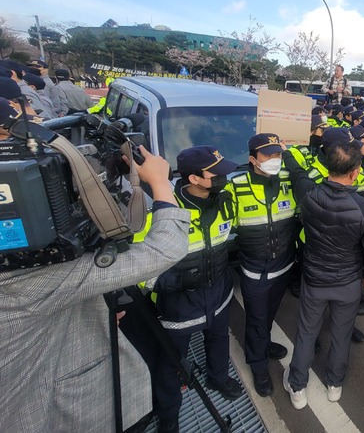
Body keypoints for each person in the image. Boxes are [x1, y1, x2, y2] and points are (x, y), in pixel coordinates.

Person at [0, 146, 190, 432]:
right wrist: (161, 184)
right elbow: (164, 249)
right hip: (55, 415)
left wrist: (84, 316)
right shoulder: (23, 277)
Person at [147, 145, 242, 430]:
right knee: (171, 362)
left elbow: (232, 235)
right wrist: (175, 282)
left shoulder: (225, 201)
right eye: (217, 174)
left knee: (218, 339)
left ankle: (218, 377)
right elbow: (138, 269)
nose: (224, 178)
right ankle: (168, 414)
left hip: (219, 293)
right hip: (179, 304)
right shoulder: (161, 210)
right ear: (194, 179)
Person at [283, 143, 364, 408]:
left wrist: (286, 149)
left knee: (306, 332)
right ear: (355, 173)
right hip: (348, 282)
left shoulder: (308, 194)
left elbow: (296, 172)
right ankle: (334, 384)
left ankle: (297, 386)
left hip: (314, 278)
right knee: (341, 334)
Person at [232, 134, 299, 396]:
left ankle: (264, 344)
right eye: (269, 156)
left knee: (269, 315)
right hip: (254, 271)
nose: (275, 160)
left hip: (283, 266)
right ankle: (258, 365)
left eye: (278, 155)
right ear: (252, 160)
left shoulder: (286, 180)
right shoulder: (235, 187)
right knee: (257, 319)